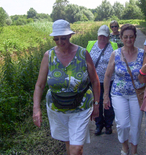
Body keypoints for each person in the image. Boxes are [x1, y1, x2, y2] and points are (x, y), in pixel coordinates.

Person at [33, 19, 100, 155]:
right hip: (57, 108)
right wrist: (36, 109)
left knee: (76, 149)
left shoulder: (82, 54)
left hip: (81, 106)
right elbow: (40, 85)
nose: (60, 42)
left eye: (63, 38)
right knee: (69, 143)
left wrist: (97, 104)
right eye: (56, 39)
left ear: (70, 35)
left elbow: (95, 81)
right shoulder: (48, 56)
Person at [103, 24, 145, 155]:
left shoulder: (143, 54)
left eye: (131, 37)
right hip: (118, 94)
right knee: (122, 124)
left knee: (136, 125)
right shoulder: (115, 54)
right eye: (125, 37)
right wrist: (105, 96)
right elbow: (108, 75)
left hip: (136, 95)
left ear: (135, 37)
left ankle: (134, 151)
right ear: (121, 37)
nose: (128, 40)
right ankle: (124, 147)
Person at [86, 25, 118, 136]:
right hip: (95, 81)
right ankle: (99, 124)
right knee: (97, 103)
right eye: (100, 36)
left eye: (105, 36)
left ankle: (109, 125)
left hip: (110, 80)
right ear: (97, 35)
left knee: (109, 103)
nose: (102, 38)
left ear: (108, 37)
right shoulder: (91, 45)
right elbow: (86, 61)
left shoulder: (113, 46)